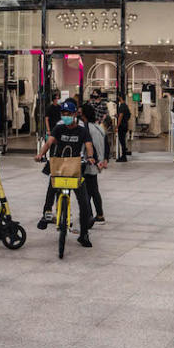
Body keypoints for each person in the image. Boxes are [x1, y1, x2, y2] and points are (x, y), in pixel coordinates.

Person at [35, 100, 95, 248]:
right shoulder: (59, 127)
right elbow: (49, 143)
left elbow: (88, 145)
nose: (66, 116)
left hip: (75, 168)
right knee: (51, 186)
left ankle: (84, 234)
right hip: (59, 165)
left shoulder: (82, 130)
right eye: (63, 114)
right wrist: (40, 154)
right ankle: (47, 214)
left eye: (68, 114)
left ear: (75, 114)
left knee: (84, 203)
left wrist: (91, 157)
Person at [81, 103, 108, 225]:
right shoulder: (99, 127)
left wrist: (94, 159)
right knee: (93, 190)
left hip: (90, 163)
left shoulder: (86, 128)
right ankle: (99, 214)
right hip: (97, 162)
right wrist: (104, 159)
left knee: (86, 192)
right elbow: (106, 144)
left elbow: (88, 146)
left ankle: (89, 215)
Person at [116, 97, 132, 162]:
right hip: (125, 125)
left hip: (122, 126)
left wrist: (117, 125)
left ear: (120, 97)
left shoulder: (122, 106)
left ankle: (123, 157)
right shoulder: (125, 105)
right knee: (122, 141)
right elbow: (128, 115)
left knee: (122, 141)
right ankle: (123, 155)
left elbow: (121, 116)